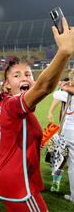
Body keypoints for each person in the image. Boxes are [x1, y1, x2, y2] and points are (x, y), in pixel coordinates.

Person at [0, 17, 74, 211]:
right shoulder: (12, 105)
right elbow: (44, 86)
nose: (25, 78)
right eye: (17, 75)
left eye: (28, 74)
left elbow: (46, 85)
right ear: (6, 85)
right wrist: (64, 52)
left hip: (17, 179)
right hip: (18, 183)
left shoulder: (14, 105)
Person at [51, 70, 74, 203]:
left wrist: (64, 86)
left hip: (70, 132)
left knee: (69, 163)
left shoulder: (66, 93)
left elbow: (56, 93)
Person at [46, 77, 70, 192]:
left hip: (67, 130)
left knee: (61, 156)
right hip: (65, 128)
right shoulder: (67, 91)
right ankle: (56, 182)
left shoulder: (67, 90)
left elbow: (56, 94)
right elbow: (58, 95)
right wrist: (50, 111)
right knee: (62, 156)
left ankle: (56, 182)